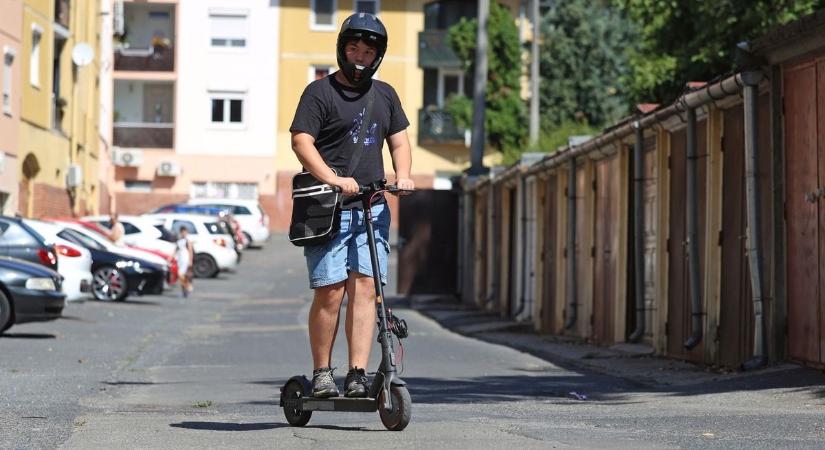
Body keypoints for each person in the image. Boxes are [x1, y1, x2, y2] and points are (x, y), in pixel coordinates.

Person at [289, 12, 414, 398]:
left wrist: (403, 175)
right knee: (331, 292)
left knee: (365, 290)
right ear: (342, 49)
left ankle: (357, 373)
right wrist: (332, 177)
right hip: (328, 208)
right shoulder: (319, 93)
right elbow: (301, 141)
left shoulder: (385, 95)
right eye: (354, 49)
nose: (360, 57)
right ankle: (322, 372)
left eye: (368, 51)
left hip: (372, 208)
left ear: (378, 56)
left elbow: (399, 141)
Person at [175, 226, 194, 297]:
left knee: (180, 274)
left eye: (185, 232)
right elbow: (176, 250)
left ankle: (188, 286)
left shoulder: (187, 241)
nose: (184, 233)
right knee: (183, 276)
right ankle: (184, 291)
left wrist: (190, 261)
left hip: (185, 259)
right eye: (182, 232)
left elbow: (190, 251)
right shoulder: (179, 241)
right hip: (179, 259)